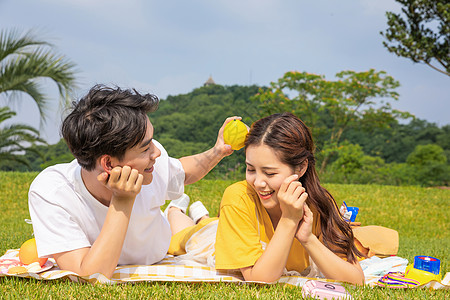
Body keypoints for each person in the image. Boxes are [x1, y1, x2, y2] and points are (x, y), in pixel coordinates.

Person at [28, 84, 236, 278]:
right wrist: (123, 200)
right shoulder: (52, 192)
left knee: (185, 230)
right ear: (108, 164)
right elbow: (90, 275)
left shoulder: (151, 164)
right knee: (178, 223)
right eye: (146, 148)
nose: (156, 153)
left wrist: (218, 152)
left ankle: (175, 211)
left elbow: (185, 172)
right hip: (155, 232)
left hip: (162, 238)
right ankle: (175, 210)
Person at [214, 112, 365, 285]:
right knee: (189, 234)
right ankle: (177, 210)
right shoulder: (238, 198)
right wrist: (289, 220)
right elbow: (259, 280)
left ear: (301, 168)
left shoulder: (318, 204)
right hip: (218, 235)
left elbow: (356, 280)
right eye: (250, 169)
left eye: (270, 173)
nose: (258, 182)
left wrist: (308, 239)